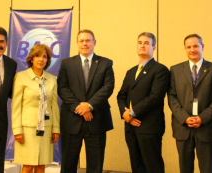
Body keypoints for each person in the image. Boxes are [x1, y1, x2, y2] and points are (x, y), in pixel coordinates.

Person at [58, 29, 114, 173]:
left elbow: (108, 87)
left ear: (94, 43)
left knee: (95, 165)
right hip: (71, 121)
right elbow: (62, 88)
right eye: (81, 41)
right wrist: (79, 108)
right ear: (77, 43)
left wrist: (89, 105)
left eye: (88, 40)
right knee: (68, 164)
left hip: (97, 121)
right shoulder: (66, 63)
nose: (84, 43)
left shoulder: (105, 63)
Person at [168, 34, 212, 173]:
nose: (192, 49)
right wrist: (185, 118)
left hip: (206, 127)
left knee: (207, 169)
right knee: (185, 168)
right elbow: (171, 97)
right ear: (185, 49)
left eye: (195, 46)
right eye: (188, 47)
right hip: (183, 128)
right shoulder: (175, 70)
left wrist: (202, 118)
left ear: (202, 47)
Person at [117, 32, 169, 173]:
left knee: (153, 166)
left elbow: (155, 97)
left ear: (154, 47)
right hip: (130, 127)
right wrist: (125, 114)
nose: (142, 45)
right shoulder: (131, 71)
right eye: (140, 42)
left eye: (147, 43)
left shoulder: (160, 70)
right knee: (136, 166)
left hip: (149, 127)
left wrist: (132, 113)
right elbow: (121, 96)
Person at [11, 44, 60, 173]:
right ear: (31, 59)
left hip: (46, 129)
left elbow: (54, 106)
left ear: (48, 60)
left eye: (44, 57)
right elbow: (16, 106)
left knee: (41, 166)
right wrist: (17, 130)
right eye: (37, 56)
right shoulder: (21, 77)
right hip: (27, 130)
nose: (41, 59)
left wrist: (55, 129)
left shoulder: (52, 79)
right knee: (27, 166)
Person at [0, 26, 17, 173]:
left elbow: (12, 92)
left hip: (0, 120)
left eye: (1, 41)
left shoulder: (11, 64)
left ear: (6, 43)